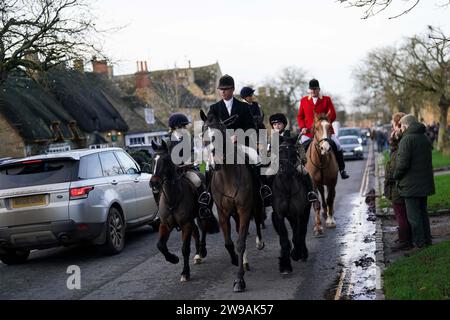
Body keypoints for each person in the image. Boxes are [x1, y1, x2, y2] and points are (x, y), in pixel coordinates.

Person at [207, 74, 271, 200]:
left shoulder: (243, 107)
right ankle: (207, 193)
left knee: (256, 158)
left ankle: (262, 188)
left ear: (232, 89)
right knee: (206, 163)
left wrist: (238, 135)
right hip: (222, 146)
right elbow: (211, 126)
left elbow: (251, 127)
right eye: (221, 89)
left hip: (242, 144)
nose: (223, 91)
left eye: (226, 89)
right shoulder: (214, 108)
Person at [150, 112, 213, 219]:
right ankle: (159, 210)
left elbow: (192, 152)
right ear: (175, 127)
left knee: (198, 180)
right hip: (171, 172)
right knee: (155, 188)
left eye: (185, 126)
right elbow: (163, 157)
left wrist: (191, 161)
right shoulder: (166, 140)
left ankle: (202, 206)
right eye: (182, 126)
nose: (184, 128)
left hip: (187, 169)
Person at [393, 114, 435, 250]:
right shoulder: (424, 137)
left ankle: (419, 244)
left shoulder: (407, 140)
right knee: (423, 214)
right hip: (424, 183)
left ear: (405, 126)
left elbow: (402, 164)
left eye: (402, 127)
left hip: (411, 185)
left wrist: (396, 175)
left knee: (414, 217)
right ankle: (427, 241)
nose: (401, 129)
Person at [297, 79, 349, 179]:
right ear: (309, 90)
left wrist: (326, 121)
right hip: (308, 132)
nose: (313, 91)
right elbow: (300, 116)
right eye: (311, 89)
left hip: (325, 131)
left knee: (337, 145)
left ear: (319, 89)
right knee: (301, 148)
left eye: (315, 89)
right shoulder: (304, 101)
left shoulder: (326, 99)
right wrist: (302, 127)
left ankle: (342, 170)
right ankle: (301, 172)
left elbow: (333, 114)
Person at [269, 113, 318, 202]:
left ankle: (310, 193)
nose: (277, 126)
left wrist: (303, 157)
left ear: (284, 124)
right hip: (278, 163)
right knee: (267, 175)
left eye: (279, 124)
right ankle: (268, 194)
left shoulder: (290, 134)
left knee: (305, 172)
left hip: (293, 161)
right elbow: (270, 150)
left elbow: (299, 147)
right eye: (274, 124)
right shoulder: (272, 136)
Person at [384, 112, 412, 250]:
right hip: (399, 184)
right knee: (402, 213)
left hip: (399, 185)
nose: (391, 128)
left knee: (400, 213)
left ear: (398, 125)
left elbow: (396, 165)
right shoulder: (398, 139)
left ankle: (405, 241)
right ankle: (404, 238)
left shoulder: (401, 141)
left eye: (393, 125)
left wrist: (389, 174)